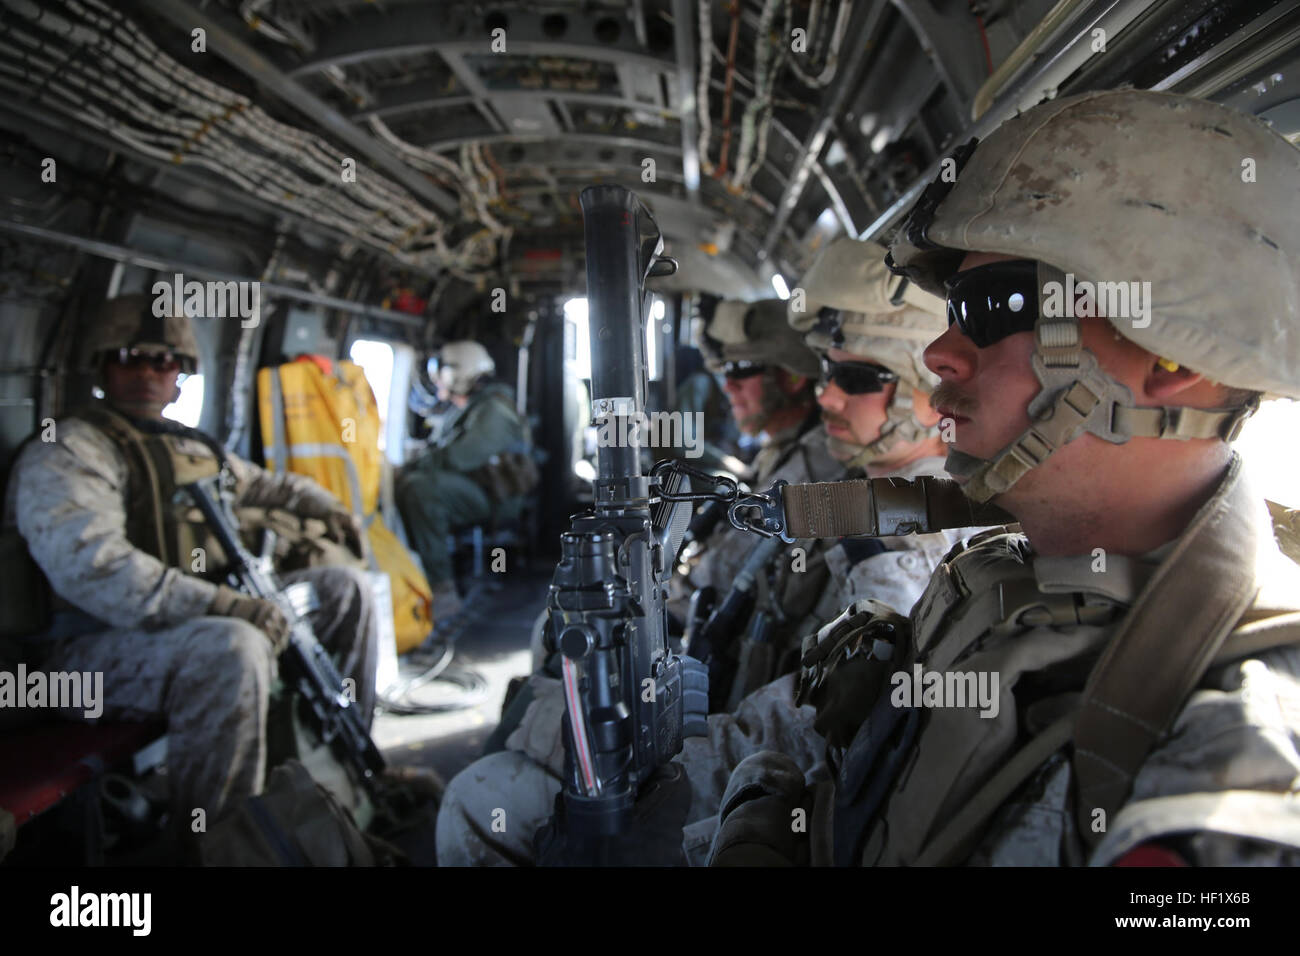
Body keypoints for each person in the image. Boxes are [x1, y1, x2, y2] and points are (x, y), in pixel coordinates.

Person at [706, 89, 1300, 867]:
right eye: (955, 306)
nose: (940, 354)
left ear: (1175, 358)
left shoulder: (1242, 765)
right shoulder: (999, 572)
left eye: (999, 304)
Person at [434, 250, 966, 865]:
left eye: (855, 379)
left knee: (485, 793)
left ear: (930, 392)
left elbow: (810, 736)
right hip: (724, 727)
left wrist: (615, 747)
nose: (827, 398)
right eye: (826, 372)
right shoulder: (855, 499)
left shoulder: (911, 541)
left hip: (757, 795)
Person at [3, 293, 377, 832]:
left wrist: (334, 510)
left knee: (346, 588)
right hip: (80, 654)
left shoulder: (190, 448)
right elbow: (93, 567)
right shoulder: (69, 449)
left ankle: (347, 768)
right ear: (103, 365)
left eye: (165, 360)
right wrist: (226, 604)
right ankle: (216, 845)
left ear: (182, 374)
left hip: (187, 625)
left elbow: (264, 485)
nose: (149, 372)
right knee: (233, 651)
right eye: (131, 356)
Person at [394, 340, 534, 623]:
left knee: (420, 490)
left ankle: (441, 588)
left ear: (459, 372)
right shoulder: (471, 407)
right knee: (415, 482)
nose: (438, 381)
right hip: (481, 486)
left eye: (442, 372)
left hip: (498, 497)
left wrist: (415, 465)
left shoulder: (493, 411)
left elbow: (461, 456)